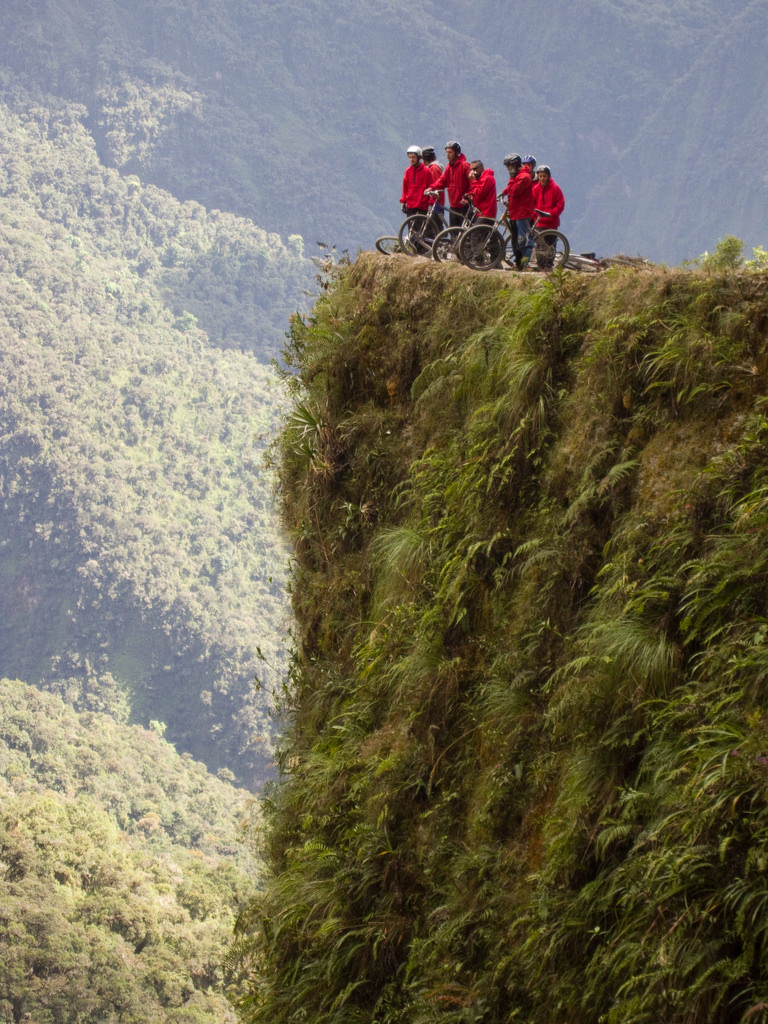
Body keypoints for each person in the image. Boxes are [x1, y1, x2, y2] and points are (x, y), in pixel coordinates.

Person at [427, 140, 472, 227]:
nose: (447, 154)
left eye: (450, 152)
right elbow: (442, 180)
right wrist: (432, 187)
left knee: (465, 232)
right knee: (454, 232)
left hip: (464, 205)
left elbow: (473, 183)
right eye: (447, 152)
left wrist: (468, 197)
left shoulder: (465, 165)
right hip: (453, 204)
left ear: (457, 153)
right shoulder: (449, 167)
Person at [501, 153, 535, 269]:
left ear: (514, 165)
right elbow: (509, 188)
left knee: (524, 239)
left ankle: (526, 263)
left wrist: (511, 178)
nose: (508, 169)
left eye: (509, 166)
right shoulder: (517, 175)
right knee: (515, 239)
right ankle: (518, 262)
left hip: (523, 212)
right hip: (514, 211)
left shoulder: (524, 177)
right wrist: (503, 192)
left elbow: (514, 191)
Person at [532, 165, 565, 269]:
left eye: (544, 176)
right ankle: (540, 265)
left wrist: (552, 213)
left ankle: (548, 265)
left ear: (548, 176)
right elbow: (531, 204)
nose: (542, 178)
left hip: (551, 222)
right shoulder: (535, 189)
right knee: (539, 245)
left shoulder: (555, 188)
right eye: (540, 176)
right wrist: (534, 215)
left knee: (550, 245)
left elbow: (560, 204)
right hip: (539, 222)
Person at [400, 145, 432, 218]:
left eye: (413, 157)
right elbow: (405, 188)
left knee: (420, 228)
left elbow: (431, 188)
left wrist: (430, 204)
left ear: (418, 157)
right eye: (410, 157)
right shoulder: (408, 171)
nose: (411, 159)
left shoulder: (426, 171)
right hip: (410, 206)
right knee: (411, 229)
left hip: (422, 206)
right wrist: (403, 202)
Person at [421, 146, 445, 218]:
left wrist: (431, 202)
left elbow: (435, 185)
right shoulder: (434, 167)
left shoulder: (433, 169)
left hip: (436, 201)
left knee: (435, 224)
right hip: (436, 200)